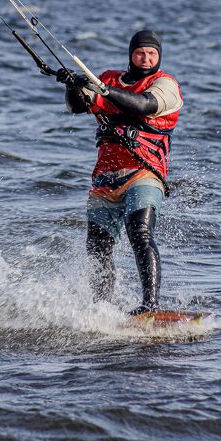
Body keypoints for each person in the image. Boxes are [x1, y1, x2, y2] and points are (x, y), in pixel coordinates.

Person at [57, 30, 183, 315]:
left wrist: (103, 90)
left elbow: (144, 105)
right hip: (104, 177)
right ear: (130, 54)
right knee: (97, 247)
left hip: (144, 173)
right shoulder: (109, 78)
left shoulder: (165, 84)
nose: (146, 58)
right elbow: (77, 107)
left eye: (152, 53)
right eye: (140, 52)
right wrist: (72, 86)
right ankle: (102, 308)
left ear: (159, 57)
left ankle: (150, 305)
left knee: (139, 232)